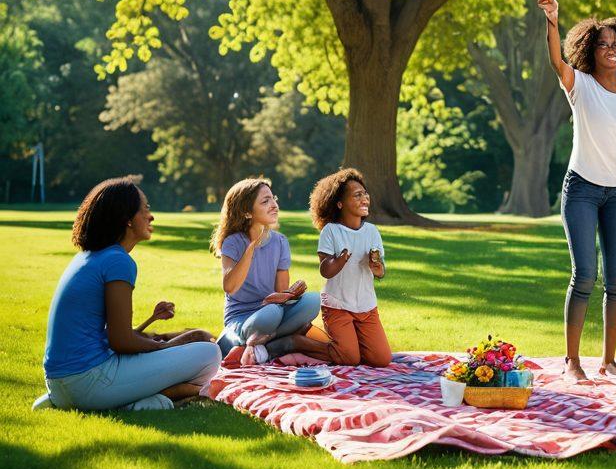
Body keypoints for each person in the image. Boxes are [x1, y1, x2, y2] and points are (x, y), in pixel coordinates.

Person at [539, 0, 616, 382]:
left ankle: (609, 361)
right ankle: (572, 362)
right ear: (590, 50)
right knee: (584, 274)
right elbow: (555, 60)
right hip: (581, 190)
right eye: (603, 45)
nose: (611, 50)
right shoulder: (579, 85)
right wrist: (552, 21)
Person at [37, 177, 220, 411]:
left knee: (192, 345)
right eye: (145, 209)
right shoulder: (118, 261)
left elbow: (110, 336)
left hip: (59, 385)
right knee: (210, 353)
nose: (150, 216)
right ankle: (144, 402)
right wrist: (165, 348)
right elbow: (121, 341)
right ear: (127, 220)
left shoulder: (88, 257)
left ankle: (131, 400)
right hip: (88, 384)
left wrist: (156, 334)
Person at [211, 178, 331, 364]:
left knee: (313, 300)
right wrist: (252, 246)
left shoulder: (280, 241)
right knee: (271, 314)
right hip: (243, 318)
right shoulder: (233, 242)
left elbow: (280, 292)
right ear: (246, 212)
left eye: (273, 198)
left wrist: (289, 294)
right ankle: (266, 342)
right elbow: (230, 286)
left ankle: (261, 344)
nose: (274, 205)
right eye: (265, 201)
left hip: (271, 310)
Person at [309, 168, 391, 367]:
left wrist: (377, 267)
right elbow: (325, 270)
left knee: (381, 359)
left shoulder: (372, 231)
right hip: (337, 306)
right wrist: (340, 260)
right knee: (349, 359)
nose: (365, 199)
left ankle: (350, 342)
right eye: (357, 195)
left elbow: (381, 272)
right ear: (340, 204)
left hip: (366, 306)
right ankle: (297, 342)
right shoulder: (331, 231)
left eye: (365, 194)